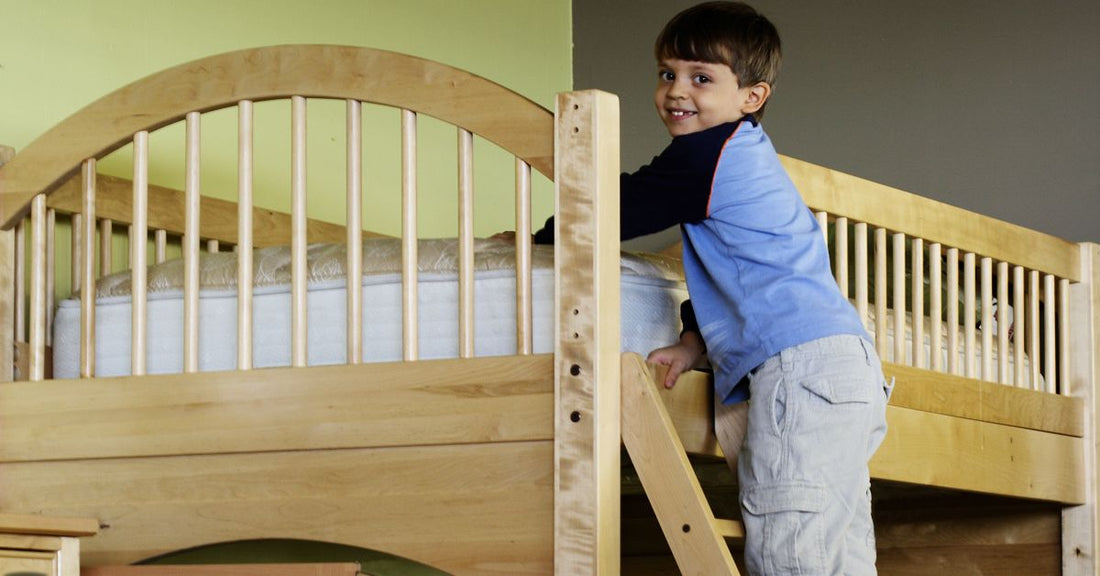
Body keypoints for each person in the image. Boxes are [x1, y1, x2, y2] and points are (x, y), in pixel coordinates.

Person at [531, 2, 891, 574]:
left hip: (804, 377)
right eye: (667, 74)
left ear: (752, 97)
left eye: (702, 78)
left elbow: (613, 207)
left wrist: (537, 237)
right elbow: (746, 276)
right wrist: (694, 341)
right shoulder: (744, 160)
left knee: (789, 556)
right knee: (838, 557)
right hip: (844, 372)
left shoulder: (709, 155)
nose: (677, 91)